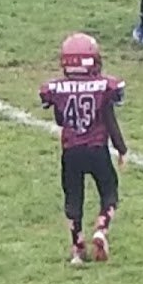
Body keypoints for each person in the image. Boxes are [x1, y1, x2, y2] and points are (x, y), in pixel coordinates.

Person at [39, 33, 128, 265]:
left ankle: (78, 249)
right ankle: (101, 228)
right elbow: (109, 118)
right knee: (109, 192)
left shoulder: (56, 88)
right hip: (97, 148)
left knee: (73, 198)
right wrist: (121, 148)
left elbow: (60, 119)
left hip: (71, 152)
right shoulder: (104, 86)